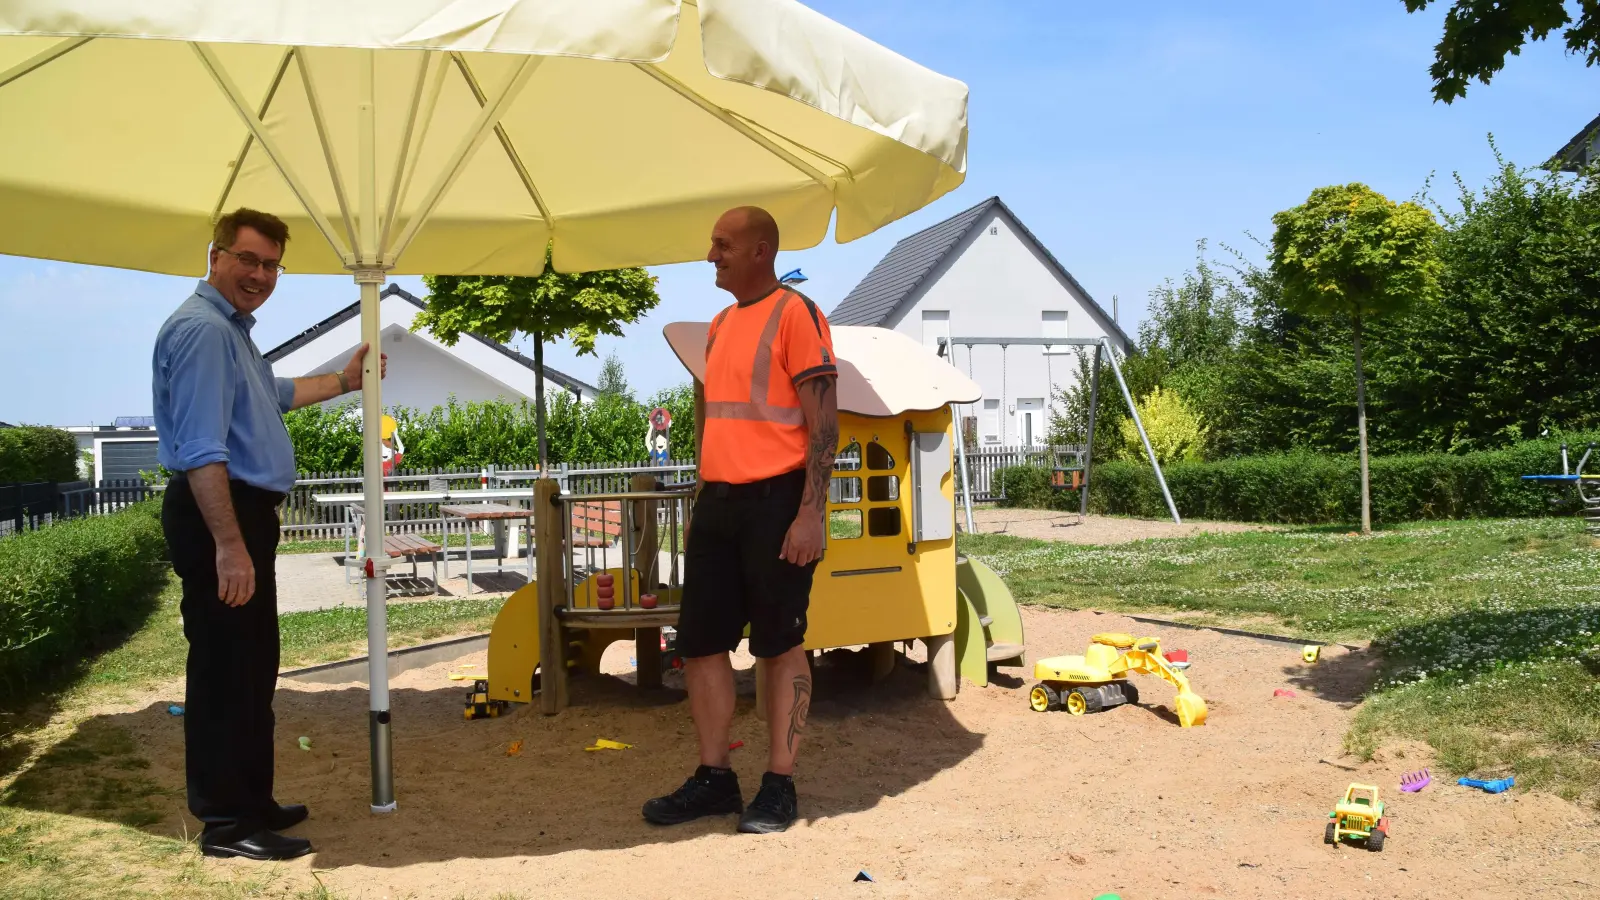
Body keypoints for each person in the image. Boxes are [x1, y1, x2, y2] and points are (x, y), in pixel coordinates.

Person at [153, 208, 386, 861]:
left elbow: (273, 393)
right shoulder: (203, 332)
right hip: (220, 514)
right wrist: (229, 544)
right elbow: (202, 449)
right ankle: (227, 824)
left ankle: (252, 801)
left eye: (271, 264)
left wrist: (343, 381)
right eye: (249, 259)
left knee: (253, 666)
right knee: (229, 670)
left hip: (240, 515)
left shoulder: (231, 333)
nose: (260, 274)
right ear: (215, 256)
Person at [642, 206, 839, 834]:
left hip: (779, 503)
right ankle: (714, 779)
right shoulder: (721, 324)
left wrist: (811, 513)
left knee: (779, 647)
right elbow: (712, 413)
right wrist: (705, 483)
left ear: (761, 250)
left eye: (723, 245)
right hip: (719, 503)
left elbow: (826, 425)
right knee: (699, 644)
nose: (711, 255)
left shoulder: (796, 314)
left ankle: (779, 784)